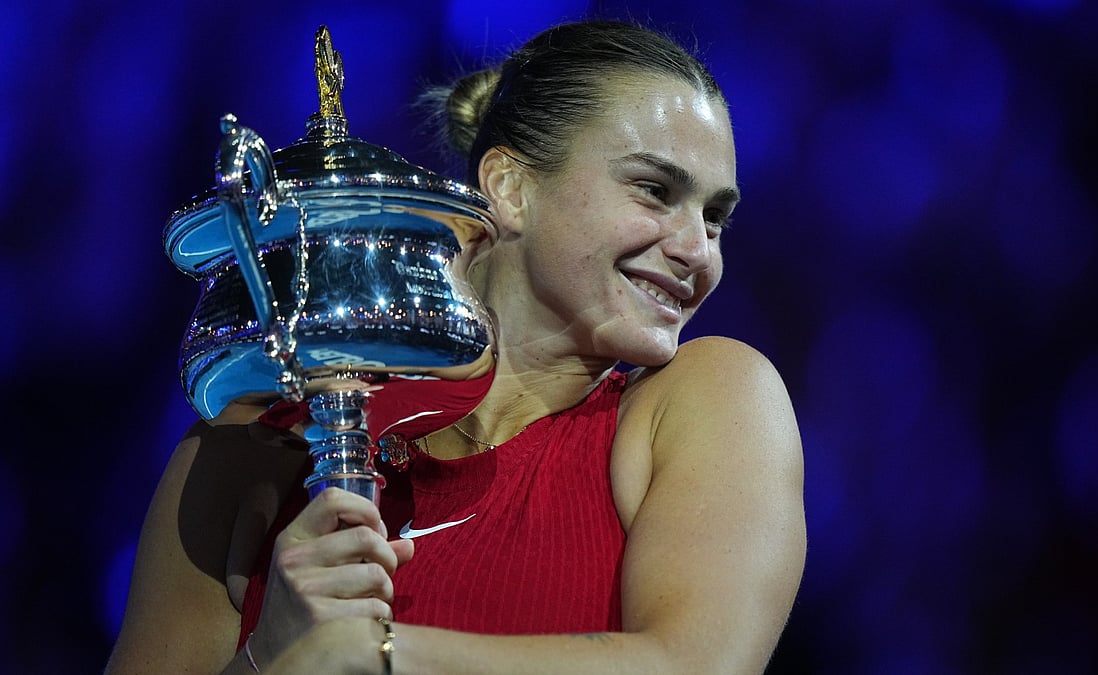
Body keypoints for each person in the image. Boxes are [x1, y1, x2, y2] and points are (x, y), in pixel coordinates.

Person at [105, 18, 806, 675]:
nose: (698, 252)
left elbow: (692, 665)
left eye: (716, 218)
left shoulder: (711, 400)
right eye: (654, 190)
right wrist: (268, 652)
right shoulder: (249, 454)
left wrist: (376, 654)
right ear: (510, 187)